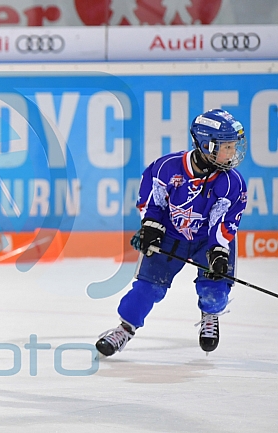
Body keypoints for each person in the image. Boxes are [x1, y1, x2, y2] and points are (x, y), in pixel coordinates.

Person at [96, 109, 247, 356]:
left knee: (215, 290)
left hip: (207, 240)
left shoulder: (233, 182)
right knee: (147, 287)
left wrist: (218, 251)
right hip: (170, 236)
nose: (232, 153)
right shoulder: (166, 167)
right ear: (206, 145)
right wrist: (150, 226)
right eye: (226, 147)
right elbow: (151, 202)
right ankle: (124, 329)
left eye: (233, 146)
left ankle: (210, 314)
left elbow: (225, 221)